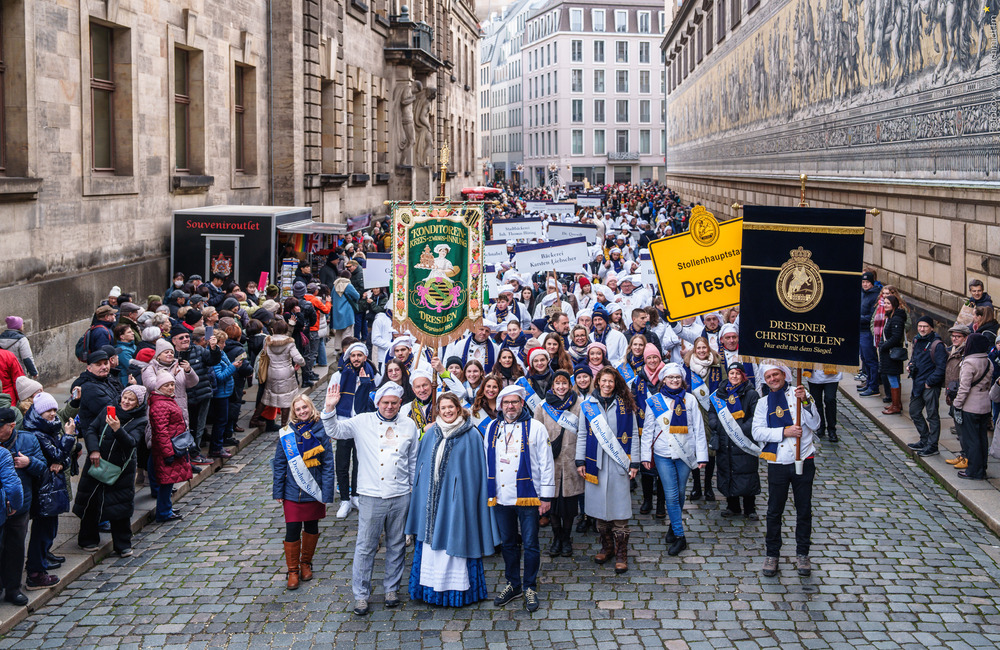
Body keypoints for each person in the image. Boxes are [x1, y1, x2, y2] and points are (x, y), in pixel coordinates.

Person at [323, 382, 419, 614]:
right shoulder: (362, 421)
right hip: (370, 495)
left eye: (394, 403)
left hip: (400, 494)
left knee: (396, 545)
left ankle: (391, 589)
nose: (389, 407)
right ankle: (361, 595)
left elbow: (413, 460)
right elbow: (334, 431)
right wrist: (329, 408)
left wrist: (413, 490)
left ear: (399, 404)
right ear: (377, 403)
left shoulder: (409, 425)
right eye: (385, 403)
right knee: (365, 547)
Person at [406, 393, 497, 608]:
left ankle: (458, 592)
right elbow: (422, 469)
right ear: (438, 410)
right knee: (431, 547)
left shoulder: (472, 435)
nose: (447, 411)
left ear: (458, 408)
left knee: (457, 541)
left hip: (458, 503)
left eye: (451, 407)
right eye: (443, 408)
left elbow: (475, 472)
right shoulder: (430, 434)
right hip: (431, 503)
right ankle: (429, 589)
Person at [485, 385, 554, 612]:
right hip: (502, 496)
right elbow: (488, 462)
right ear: (500, 405)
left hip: (529, 497)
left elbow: (546, 464)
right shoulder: (492, 428)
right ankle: (513, 584)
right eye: (506, 402)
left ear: (522, 404)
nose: (510, 406)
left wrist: (546, 496)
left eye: (514, 402)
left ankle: (530, 586)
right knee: (508, 543)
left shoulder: (536, 427)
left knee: (531, 543)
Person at [753, 362, 821, 578]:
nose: (773, 379)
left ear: (784, 374)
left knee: (804, 510)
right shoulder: (763, 402)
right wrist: (784, 431)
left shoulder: (801, 393)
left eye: (776, 375)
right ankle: (772, 554)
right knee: (774, 511)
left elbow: (816, 424)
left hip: (804, 459)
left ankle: (803, 553)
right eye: (769, 376)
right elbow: (757, 432)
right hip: (778, 462)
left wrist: (807, 403)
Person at [575, 367, 639, 574]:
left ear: (615, 383)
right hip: (596, 465)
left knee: (619, 511)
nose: (607, 385)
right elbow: (582, 435)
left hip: (619, 464)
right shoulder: (588, 405)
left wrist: (635, 463)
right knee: (600, 511)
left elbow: (635, 435)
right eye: (604, 381)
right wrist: (580, 461)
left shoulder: (626, 405)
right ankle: (607, 547)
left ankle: (622, 554)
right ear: (598, 381)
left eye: (611, 381)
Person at [640, 362, 707, 555]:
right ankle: (680, 535)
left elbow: (698, 429)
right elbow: (648, 432)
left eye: (677, 377)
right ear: (664, 381)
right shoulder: (654, 401)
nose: (674, 380)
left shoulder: (691, 400)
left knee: (678, 492)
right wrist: (646, 455)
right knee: (670, 494)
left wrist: (702, 455)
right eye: (671, 378)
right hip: (663, 453)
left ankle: (673, 525)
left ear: (682, 380)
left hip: (685, 453)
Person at [271, 393, 335, 591]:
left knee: (311, 527)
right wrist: (278, 491)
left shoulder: (321, 430)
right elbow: (280, 464)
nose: (302, 411)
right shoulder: (286, 433)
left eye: (304, 407)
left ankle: (306, 563)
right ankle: (292, 570)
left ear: (310, 407)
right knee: (292, 529)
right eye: (298, 409)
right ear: (294, 412)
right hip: (292, 490)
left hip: (313, 489)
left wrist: (327, 491)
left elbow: (328, 464)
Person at [75, 385, 146, 557]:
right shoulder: (108, 410)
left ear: (138, 403)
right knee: (91, 502)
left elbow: (131, 443)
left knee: (119, 507)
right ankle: (87, 539)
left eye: (131, 400)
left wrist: (117, 429)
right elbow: (91, 429)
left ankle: (122, 545)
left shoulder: (141, 420)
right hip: (98, 463)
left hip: (120, 470)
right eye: (125, 398)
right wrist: (93, 449)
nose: (126, 402)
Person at [22, 393, 75, 589]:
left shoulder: (49, 429)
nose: (53, 414)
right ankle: (36, 573)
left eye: (54, 409)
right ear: (38, 412)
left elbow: (63, 459)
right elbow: (59, 454)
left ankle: (39, 566)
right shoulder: (37, 433)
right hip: (44, 490)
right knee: (42, 532)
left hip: (52, 487)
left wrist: (61, 463)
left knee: (48, 530)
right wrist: (68, 437)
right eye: (48, 411)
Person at [533, 370, 583, 557]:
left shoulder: (579, 404)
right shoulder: (542, 407)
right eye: (557, 383)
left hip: (571, 459)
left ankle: (566, 538)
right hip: (549, 462)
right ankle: (556, 537)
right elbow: (536, 435)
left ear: (570, 385)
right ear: (552, 385)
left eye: (564, 383)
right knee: (552, 503)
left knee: (569, 504)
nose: (561, 387)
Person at [0, 406, 45, 605]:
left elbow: (42, 467)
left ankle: (13, 589)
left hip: (20, 507)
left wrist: (30, 462)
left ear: (11, 426)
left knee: (16, 549)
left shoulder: (27, 439)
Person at [707, 363, 761, 521]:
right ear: (728, 375)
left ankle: (750, 508)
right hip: (725, 440)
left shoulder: (751, 394)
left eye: (738, 373)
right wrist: (715, 424)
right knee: (727, 470)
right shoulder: (719, 394)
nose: (734, 376)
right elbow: (712, 412)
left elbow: (755, 415)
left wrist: (742, 429)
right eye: (732, 373)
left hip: (743, 440)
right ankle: (733, 506)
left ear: (743, 375)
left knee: (747, 472)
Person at [329, 341, 376, 518]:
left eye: (359, 355)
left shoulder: (372, 375)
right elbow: (330, 399)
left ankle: (356, 494)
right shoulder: (339, 375)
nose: (356, 359)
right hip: (343, 421)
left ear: (365, 357)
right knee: (342, 462)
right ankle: (344, 499)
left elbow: (374, 400)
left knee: (359, 461)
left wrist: (365, 384)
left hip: (363, 423)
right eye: (353, 355)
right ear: (349, 357)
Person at [148, 372, 192, 523]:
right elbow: (161, 432)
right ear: (159, 386)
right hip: (168, 449)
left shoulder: (166, 400)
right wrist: (168, 453)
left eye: (172, 384)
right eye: (166, 385)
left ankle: (166, 507)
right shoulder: (160, 404)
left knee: (169, 481)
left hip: (173, 446)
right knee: (166, 482)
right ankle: (164, 512)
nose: (170, 388)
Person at [683, 336, 723, 502]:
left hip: (710, 412)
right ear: (694, 349)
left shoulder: (717, 366)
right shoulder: (686, 367)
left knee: (710, 450)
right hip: (693, 411)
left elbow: (724, 386)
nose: (701, 351)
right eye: (698, 348)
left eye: (704, 348)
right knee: (694, 448)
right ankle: (696, 486)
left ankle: (708, 486)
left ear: (708, 349)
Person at [906, 317, 947, 457]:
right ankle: (925, 439)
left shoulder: (937, 345)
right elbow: (914, 358)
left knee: (932, 416)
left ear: (932, 328)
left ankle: (932, 445)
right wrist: (910, 366)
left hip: (930, 386)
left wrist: (929, 382)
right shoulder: (917, 340)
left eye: (925, 326)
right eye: (920, 326)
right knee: (914, 411)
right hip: (917, 384)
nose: (922, 329)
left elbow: (941, 368)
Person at [954, 334, 992, 480]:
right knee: (982, 438)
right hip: (985, 405)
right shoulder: (988, 361)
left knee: (972, 440)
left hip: (971, 406)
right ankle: (982, 468)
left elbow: (964, 388)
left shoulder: (969, 362)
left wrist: (957, 404)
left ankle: (974, 470)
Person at [261, 319, 306, 429]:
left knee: (268, 395)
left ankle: (254, 419)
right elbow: (298, 358)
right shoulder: (289, 342)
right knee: (286, 399)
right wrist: (301, 364)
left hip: (272, 371)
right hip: (286, 372)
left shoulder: (267, 340)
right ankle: (283, 425)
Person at [944, 325, 971, 468]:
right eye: (953, 336)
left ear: (965, 338)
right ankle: (962, 454)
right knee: (958, 428)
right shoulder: (953, 349)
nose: (954, 339)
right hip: (952, 394)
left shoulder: (965, 352)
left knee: (963, 429)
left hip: (960, 396)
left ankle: (966, 457)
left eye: (958, 336)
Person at [877, 295, 907, 416]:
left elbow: (895, 337)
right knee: (893, 378)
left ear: (894, 304)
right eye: (885, 303)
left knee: (893, 378)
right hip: (889, 353)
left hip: (891, 354)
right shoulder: (892, 317)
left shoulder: (896, 319)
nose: (886, 305)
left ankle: (895, 406)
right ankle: (896, 403)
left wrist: (883, 346)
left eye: (888, 303)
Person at [859, 271, 881, 396]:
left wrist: (859, 318)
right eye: (863, 282)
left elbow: (872, 316)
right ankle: (868, 383)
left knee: (871, 359)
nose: (865, 284)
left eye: (867, 282)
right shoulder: (863, 293)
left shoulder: (875, 296)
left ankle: (874, 386)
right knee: (864, 359)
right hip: (860, 330)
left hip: (867, 331)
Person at [806, 366, 842, 442]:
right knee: (816, 402)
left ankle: (832, 429)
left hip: (832, 375)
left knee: (830, 400)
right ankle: (820, 427)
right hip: (814, 375)